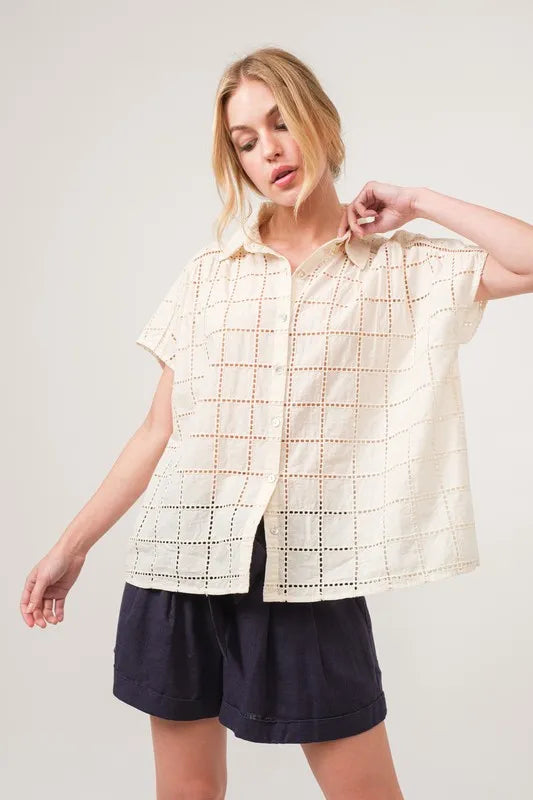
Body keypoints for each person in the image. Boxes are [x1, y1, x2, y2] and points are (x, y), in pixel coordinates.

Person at [20, 46, 533, 800]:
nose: (269, 151)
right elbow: (157, 430)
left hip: (307, 567)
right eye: (246, 141)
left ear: (321, 121)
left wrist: (417, 200)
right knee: (189, 794)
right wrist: (70, 548)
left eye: (281, 123)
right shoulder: (212, 274)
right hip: (181, 555)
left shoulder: (399, 269)